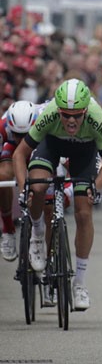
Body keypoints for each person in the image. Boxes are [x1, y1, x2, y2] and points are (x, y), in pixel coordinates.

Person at [13, 78, 102, 311]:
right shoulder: (49, 114)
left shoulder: (96, 117)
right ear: (58, 109)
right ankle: (38, 235)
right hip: (52, 145)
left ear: (85, 111)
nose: (71, 120)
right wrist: (24, 188)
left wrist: (96, 186)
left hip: (84, 153)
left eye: (77, 115)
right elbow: (19, 155)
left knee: (83, 213)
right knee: (38, 187)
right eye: (66, 114)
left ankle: (79, 283)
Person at [0, 101, 37, 261]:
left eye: (25, 134)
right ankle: (8, 229)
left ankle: (40, 234)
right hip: (11, 149)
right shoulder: (2, 128)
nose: (22, 139)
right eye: (17, 134)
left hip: (36, 147)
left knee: (41, 178)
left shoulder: (43, 123)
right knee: (2, 176)